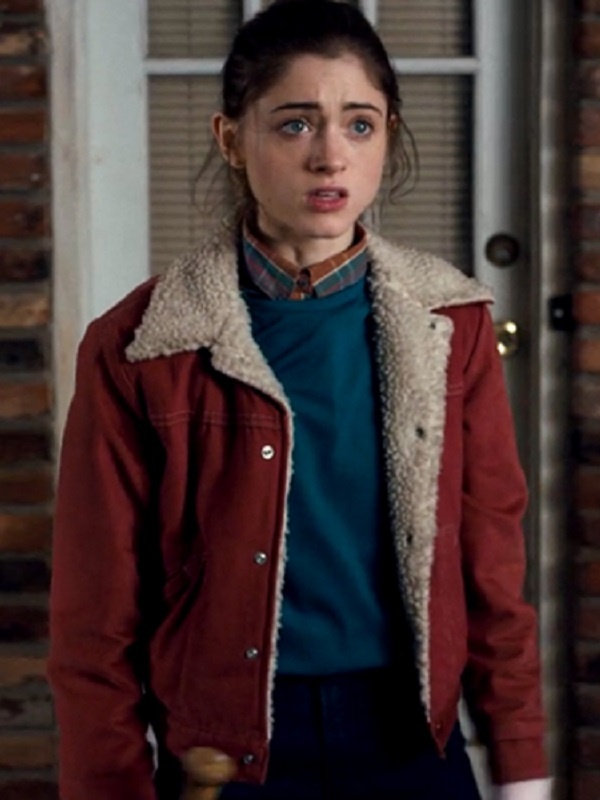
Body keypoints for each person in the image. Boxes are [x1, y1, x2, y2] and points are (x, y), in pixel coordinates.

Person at [48, 1, 551, 799]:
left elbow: (492, 569)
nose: (330, 157)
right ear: (230, 140)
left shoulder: (450, 323)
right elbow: (93, 618)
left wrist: (522, 767)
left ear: (388, 136)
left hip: (408, 742)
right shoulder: (141, 345)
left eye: (360, 124)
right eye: (294, 124)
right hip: (227, 756)